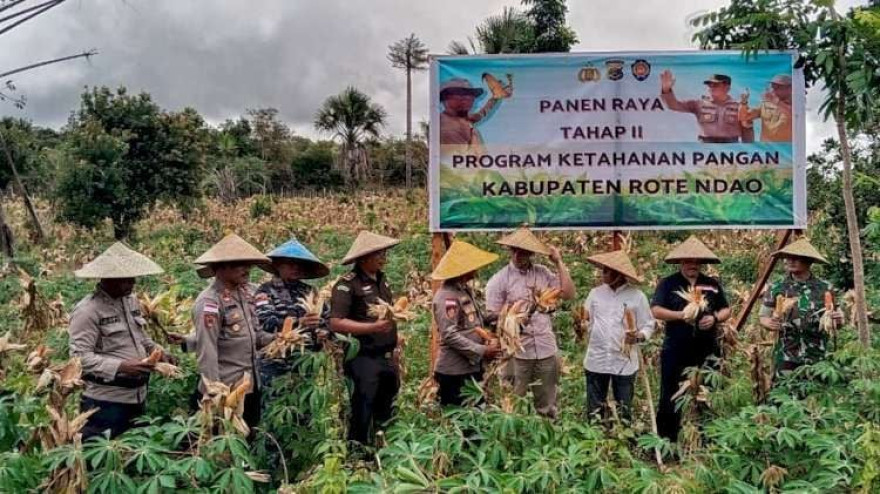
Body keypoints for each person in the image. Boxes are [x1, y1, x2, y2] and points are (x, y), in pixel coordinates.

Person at [68, 242, 171, 439]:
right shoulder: (88, 310)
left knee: (130, 456)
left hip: (138, 396)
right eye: (126, 278)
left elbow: (141, 337)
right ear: (108, 278)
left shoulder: (130, 301)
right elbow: (79, 358)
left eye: (133, 277)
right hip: (105, 402)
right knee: (103, 460)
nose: (133, 282)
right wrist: (121, 367)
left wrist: (158, 350)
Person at [485, 226, 575, 419]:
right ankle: (515, 444)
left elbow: (568, 294)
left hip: (545, 348)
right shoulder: (499, 280)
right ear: (510, 251)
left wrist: (558, 262)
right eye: (515, 250)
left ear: (532, 253)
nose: (518, 255)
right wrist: (512, 320)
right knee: (512, 406)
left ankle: (547, 440)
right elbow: (491, 317)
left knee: (547, 406)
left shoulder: (543, 274)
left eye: (524, 251)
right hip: (516, 352)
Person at [192, 233, 276, 430]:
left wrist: (280, 338)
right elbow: (207, 350)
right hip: (226, 389)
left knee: (248, 440)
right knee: (223, 448)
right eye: (239, 264)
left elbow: (256, 336)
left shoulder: (248, 293)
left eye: (248, 264)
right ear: (219, 268)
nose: (246, 269)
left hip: (250, 386)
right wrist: (214, 393)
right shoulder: (210, 302)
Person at [651, 236, 731, 442]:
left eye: (696, 262)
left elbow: (726, 310)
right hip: (676, 348)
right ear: (681, 263)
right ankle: (667, 441)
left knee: (709, 391)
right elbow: (656, 310)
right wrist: (680, 316)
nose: (692, 265)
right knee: (670, 393)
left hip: (707, 347)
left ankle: (709, 439)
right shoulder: (668, 284)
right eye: (688, 261)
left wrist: (714, 318)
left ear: (701, 264)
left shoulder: (712, 285)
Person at [329, 231, 401, 446]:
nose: (383, 257)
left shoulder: (382, 280)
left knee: (387, 406)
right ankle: (358, 454)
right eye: (378, 254)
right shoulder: (347, 285)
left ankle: (384, 450)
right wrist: (372, 328)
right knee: (363, 407)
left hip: (387, 358)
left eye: (384, 253)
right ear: (364, 257)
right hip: (363, 358)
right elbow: (336, 322)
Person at [582, 250, 655, 423]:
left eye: (607, 270)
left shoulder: (637, 296)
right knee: (594, 410)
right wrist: (581, 326)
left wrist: (638, 337)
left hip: (624, 361)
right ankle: (594, 440)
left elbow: (649, 324)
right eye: (603, 269)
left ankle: (625, 439)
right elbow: (586, 320)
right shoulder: (595, 293)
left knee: (624, 409)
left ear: (619, 274)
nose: (603, 273)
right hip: (596, 359)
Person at [430, 240, 503, 406]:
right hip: (455, 371)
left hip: (470, 368)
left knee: (475, 415)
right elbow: (449, 334)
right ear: (462, 270)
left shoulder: (463, 291)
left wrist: (504, 314)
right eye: (472, 267)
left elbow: (477, 319)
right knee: (460, 420)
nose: (476, 271)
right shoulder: (448, 297)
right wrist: (482, 351)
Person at [758, 238, 844, 376]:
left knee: (814, 394)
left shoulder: (825, 288)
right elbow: (763, 317)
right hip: (786, 353)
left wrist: (838, 320)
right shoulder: (776, 287)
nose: (790, 261)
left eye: (796, 258)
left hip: (817, 353)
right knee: (786, 392)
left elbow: (837, 320)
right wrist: (770, 323)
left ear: (809, 261)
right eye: (788, 258)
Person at [255, 237, 331, 384]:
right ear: (278, 265)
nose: (295, 268)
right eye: (290, 264)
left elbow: (327, 318)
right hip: (276, 362)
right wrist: (299, 323)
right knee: (276, 401)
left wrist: (323, 330)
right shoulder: (265, 291)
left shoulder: (310, 291)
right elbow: (266, 323)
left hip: (305, 359)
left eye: (299, 265)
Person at [660, 71, 754, 143]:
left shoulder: (738, 107)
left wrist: (748, 151)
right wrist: (666, 89)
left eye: (716, 85)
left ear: (727, 88)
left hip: (731, 147)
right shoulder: (699, 104)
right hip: (706, 147)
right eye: (710, 85)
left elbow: (747, 130)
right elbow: (674, 105)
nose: (711, 88)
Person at [439, 77, 510, 154]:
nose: (466, 99)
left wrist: (495, 98)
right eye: (459, 95)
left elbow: (483, 112)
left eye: (470, 95)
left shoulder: (466, 118)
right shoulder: (443, 125)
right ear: (445, 99)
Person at [738, 74, 793, 142]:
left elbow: (793, 115)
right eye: (773, 86)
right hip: (767, 149)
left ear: (790, 88)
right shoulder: (765, 104)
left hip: (787, 150)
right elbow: (744, 117)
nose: (773, 90)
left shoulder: (796, 104)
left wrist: (775, 101)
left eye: (778, 87)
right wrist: (743, 102)